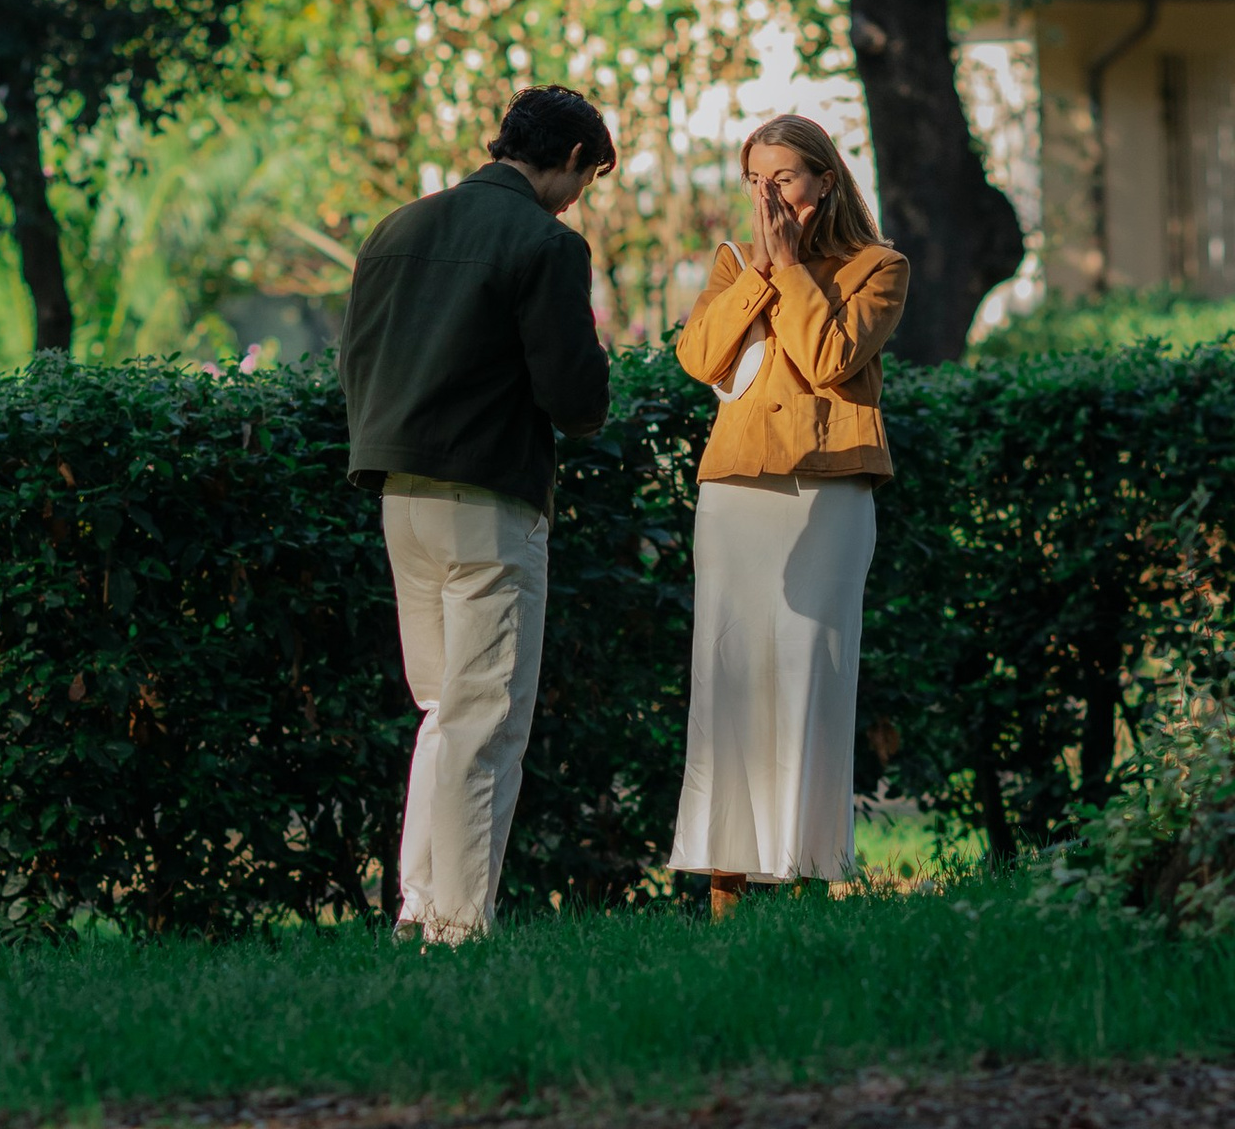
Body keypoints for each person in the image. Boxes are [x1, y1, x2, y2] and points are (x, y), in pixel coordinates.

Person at [340, 86, 616, 942]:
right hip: (489, 496)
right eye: (588, 179)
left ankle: (419, 907)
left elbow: (356, 361)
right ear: (571, 158)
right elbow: (576, 400)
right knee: (487, 716)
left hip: (396, 489)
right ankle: (460, 927)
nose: (580, 199)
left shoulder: (398, 227)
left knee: (444, 711)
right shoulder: (546, 244)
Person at [668, 114, 910, 906]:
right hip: (735, 492)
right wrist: (760, 273)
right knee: (728, 673)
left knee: (814, 675)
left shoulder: (879, 267)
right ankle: (725, 886)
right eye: (754, 181)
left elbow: (830, 358)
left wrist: (793, 265)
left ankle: (807, 879)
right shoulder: (735, 263)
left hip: (829, 488)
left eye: (783, 178)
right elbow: (700, 356)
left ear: (824, 181)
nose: (765, 195)